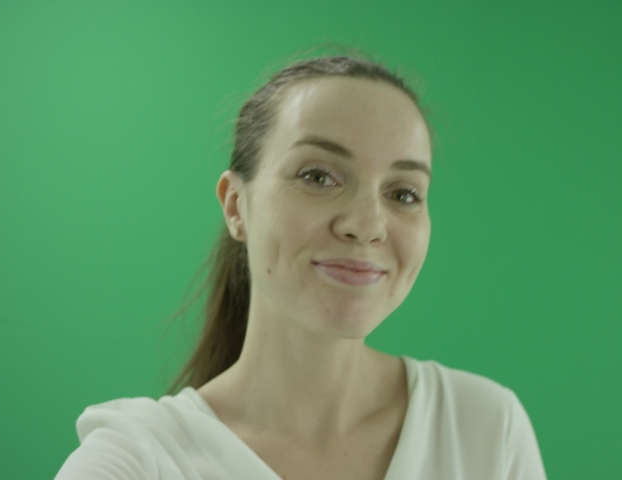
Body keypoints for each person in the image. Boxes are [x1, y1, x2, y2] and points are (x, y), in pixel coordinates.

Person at [55, 52, 548, 479]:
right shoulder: (140, 458)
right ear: (236, 206)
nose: (367, 224)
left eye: (403, 193)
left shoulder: (486, 428)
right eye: (318, 176)